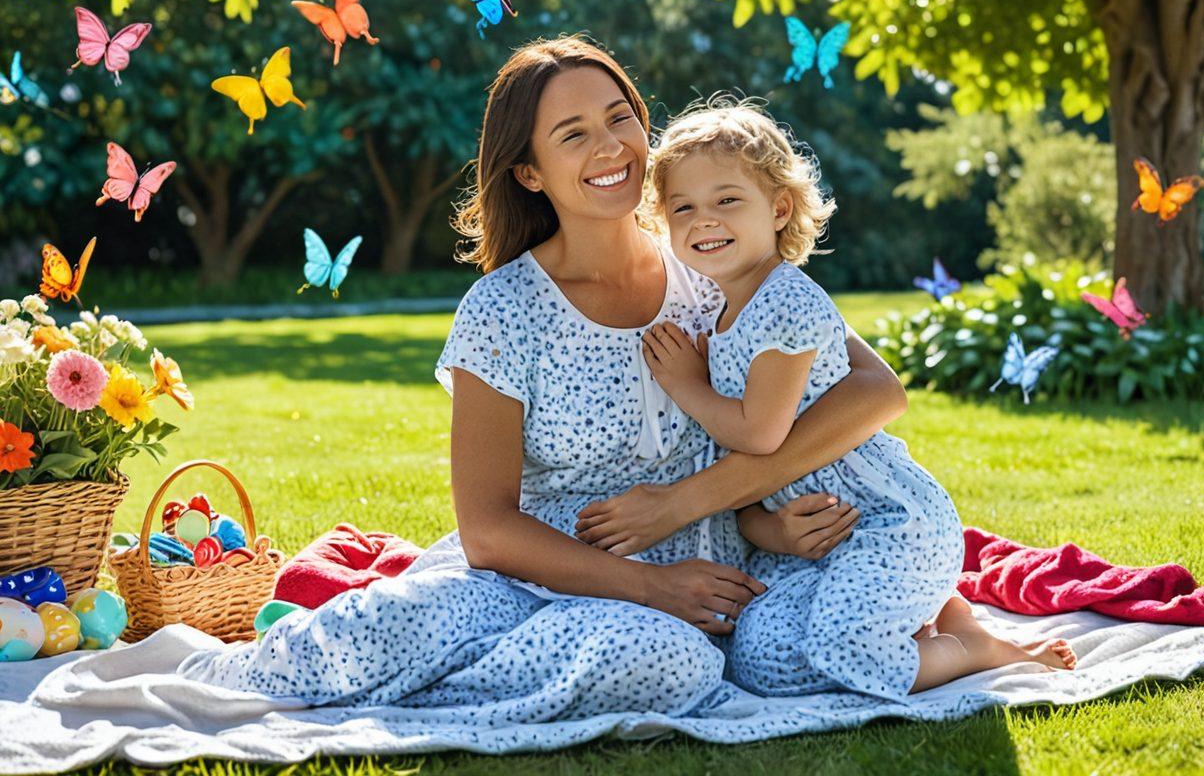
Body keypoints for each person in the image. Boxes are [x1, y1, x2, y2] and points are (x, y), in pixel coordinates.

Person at [178, 37, 908, 715]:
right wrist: (649, 585)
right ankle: (316, 676)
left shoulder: (714, 258)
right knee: (405, 623)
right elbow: (489, 531)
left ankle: (454, 685)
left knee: (669, 662)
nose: (610, 145)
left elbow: (875, 391)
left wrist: (690, 509)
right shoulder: (503, 311)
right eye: (574, 134)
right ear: (529, 172)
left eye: (620, 117)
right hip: (538, 575)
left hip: (707, 585)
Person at [588, 99, 1075, 700]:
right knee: (760, 660)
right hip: (816, 545)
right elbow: (741, 471)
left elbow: (760, 435)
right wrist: (775, 534)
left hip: (890, 523)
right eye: (683, 208)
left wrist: (686, 385)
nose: (703, 220)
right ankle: (942, 615)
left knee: (847, 651)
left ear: (780, 208)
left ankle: (970, 647)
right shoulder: (715, 312)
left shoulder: (787, 301)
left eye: (727, 201)